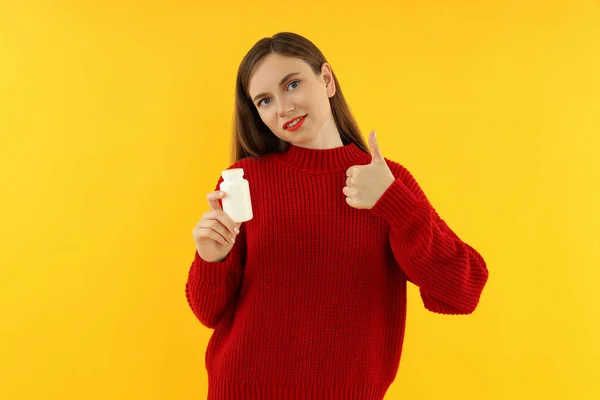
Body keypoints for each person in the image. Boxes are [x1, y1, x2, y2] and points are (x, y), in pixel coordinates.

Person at [186, 32, 489, 400]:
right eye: (265, 100)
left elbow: (463, 291)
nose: (282, 108)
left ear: (326, 80)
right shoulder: (243, 181)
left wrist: (394, 202)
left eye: (292, 84)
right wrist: (211, 258)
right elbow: (208, 314)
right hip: (241, 389)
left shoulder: (386, 180)